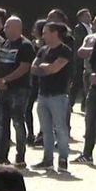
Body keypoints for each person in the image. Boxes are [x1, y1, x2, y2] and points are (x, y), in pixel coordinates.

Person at [30, 21, 74, 172]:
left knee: (60, 128)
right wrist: (45, 68)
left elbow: (55, 69)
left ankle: (63, 159)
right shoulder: (42, 50)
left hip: (58, 95)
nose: (43, 35)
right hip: (42, 95)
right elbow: (33, 68)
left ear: (55, 33)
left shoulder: (65, 51)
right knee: (46, 129)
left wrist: (45, 67)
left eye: (46, 32)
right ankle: (47, 159)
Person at [0, 17, 36, 167]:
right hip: (2, 89)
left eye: (7, 26)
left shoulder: (26, 46)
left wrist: (5, 80)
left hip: (19, 89)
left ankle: (20, 156)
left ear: (17, 28)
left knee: (18, 122)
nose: (4, 29)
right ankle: (0, 155)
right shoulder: (5, 43)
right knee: (1, 122)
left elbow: (24, 67)